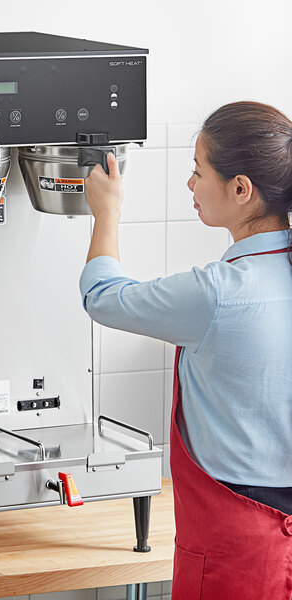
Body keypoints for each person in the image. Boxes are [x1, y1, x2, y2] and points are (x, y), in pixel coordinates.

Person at [79, 101, 292, 599]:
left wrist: (106, 212)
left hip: (236, 547)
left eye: (197, 172)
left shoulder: (216, 294)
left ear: (241, 190)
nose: (190, 185)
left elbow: (102, 297)